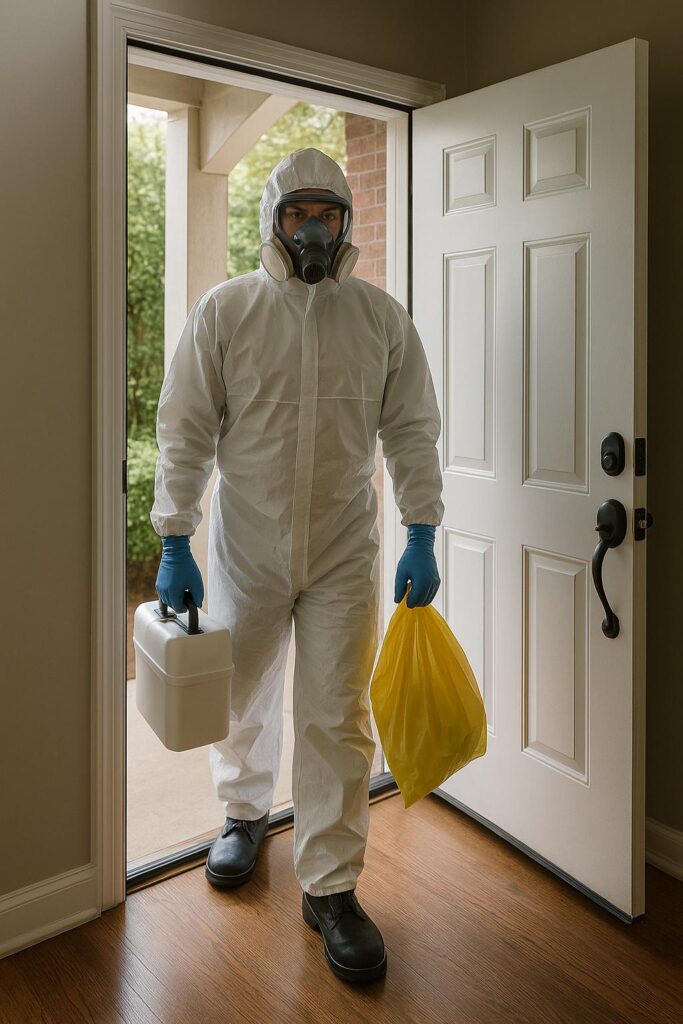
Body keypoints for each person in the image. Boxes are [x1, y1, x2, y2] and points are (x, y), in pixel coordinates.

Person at [151, 147, 444, 984]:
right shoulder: (227, 310)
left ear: (344, 225)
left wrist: (421, 528)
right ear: (272, 221)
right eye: (296, 213)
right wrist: (174, 536)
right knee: (241, 693)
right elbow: (185, 426)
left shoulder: (379, 319)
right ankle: (244, 814)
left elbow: (411, 429)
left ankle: (331, 886)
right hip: (247, 545)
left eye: (326, 214)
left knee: (336, 714)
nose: (312, 228)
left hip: (344, 550)